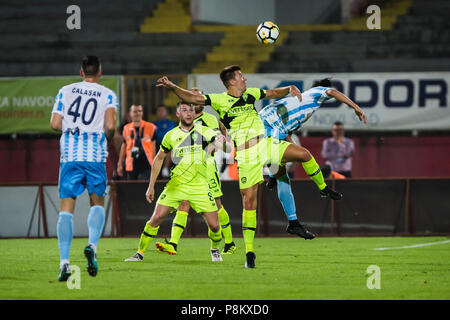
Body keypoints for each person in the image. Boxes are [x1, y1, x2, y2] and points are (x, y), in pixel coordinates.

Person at [155, 66, 342, 269]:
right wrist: (172, 86)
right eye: (240, 76)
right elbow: (194, 99)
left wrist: (289, 89)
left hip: (266, 144)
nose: (244, 78)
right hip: (246, 155)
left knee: (304, 154)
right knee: (249, 202)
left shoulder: (251, 93)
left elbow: (271, 93)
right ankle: (250, 252)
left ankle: (322, 189)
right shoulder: (218, 100)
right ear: (232, 81)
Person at [261, 78, 366, 238]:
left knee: (284, 176)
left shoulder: (297, 105)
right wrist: (355, 107)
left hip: (267, 134)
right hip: (265, 132)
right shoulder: (314, 93)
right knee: (304, 155)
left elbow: (287, 134)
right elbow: (332, 91)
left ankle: (293, 223)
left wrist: (291, 151)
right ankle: (323, 188)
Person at [124, 102, 226, 263]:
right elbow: (158, 159)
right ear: (178, 114)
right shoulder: (170, 135)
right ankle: (139, 253)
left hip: (200, 185)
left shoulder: (204, 130)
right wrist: (150, 186)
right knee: (156, 218)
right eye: (184, 110)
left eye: (191, 110)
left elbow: (219, 142)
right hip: (176, 185)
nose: (188, 113)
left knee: (214, 226)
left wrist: (220, 141)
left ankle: (214, 249)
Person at [50, 55, 117, 281]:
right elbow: (109, 125)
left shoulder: (65, 90)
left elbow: (55, 124)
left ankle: (64, 264)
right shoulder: (108, 94)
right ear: (100, 72)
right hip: (95, 156)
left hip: (69, 155)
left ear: (81, 72)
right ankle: (92, 246)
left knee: (66, 209)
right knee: (97, 203)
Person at [155, 88, 237, 255]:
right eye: (191, 98)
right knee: (183, 203)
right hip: (186, 169)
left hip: (206, 167)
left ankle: (229, 242)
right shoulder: (185, 122)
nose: (194, 102)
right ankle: (173, 243)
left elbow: (217, 143)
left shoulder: (210, 119)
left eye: (197, 98)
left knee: (217, 205)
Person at [117, 105, 157, 180]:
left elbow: (153, 147)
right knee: (132, 189)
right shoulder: (126, 128)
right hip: (131, 164)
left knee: (143, 188)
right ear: (130, 113)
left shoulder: (151, 127)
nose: (138, 113)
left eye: (140, 111)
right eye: (135, 111)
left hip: (146, 164)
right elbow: (123, 147)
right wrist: (119, 164)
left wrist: (154, 165)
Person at [154, 105, 176, 178]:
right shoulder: (154, 124)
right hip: (156, 144)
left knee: (169, 146)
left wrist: (160, 134)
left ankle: (165, 168)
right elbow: (154, 135)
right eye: (159, 111)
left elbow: (169, 134)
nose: (160, 112)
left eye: (162, 111)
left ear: (166, 112)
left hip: (167, 143)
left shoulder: (170, 123)